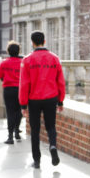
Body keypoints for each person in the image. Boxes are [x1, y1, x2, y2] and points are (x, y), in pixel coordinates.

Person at [19, 31, 65, 169]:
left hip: (34, 99)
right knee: (51, 126)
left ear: (32, 42)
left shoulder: (27, 60)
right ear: (44, 41)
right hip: (51, 98)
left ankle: (37, 160)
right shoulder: (54, 58)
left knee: (35, 130)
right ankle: (52, 145)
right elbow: (61, 81)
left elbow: (24, 84)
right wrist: (61, 101)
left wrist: (23, 104)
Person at [0, 41, 24, 144]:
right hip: (20, 89)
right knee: (19, 111)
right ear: (18, 51)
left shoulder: (5, 63)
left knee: (10, 112)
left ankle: (10, 137)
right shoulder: (23, 63)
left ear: (8, 51)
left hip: (8, 90)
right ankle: (17, 132)